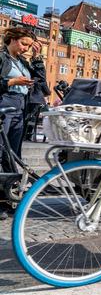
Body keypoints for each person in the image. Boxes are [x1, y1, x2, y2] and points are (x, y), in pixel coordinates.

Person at [0, 27, 41, 220]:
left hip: (19, 108)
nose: (26, 48)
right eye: (24, 43)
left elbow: (42, 85)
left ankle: (8, 198)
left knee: (13, 155)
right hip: (3, 105)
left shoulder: (24, 62)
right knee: (1, 152)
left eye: (29, 45)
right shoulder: (2, 58)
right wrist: (11, 81)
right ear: (12, 39)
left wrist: (37, 58)